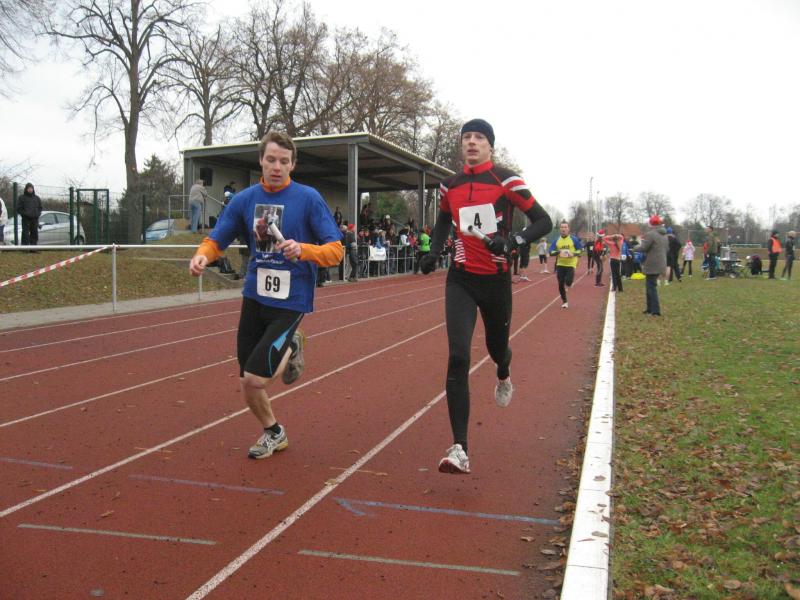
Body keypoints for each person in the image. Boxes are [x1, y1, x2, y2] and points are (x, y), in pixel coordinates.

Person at [189, 131, 343, 460]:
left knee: (258, 377)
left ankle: (291, 344)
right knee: (247, 380)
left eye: (284, 161)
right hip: (255, 296)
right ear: (260, 160)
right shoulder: (244, 200)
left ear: (293, 165)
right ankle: (274, 432)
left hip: (291, 299)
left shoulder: (308, 198)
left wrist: (303, 250)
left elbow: (336, 250)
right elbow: (217, 239)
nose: (276, 167)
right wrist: (202, 255)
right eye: (271, 159)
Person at [417, 118, 552, 475]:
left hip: (495, 281)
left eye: (479, 137)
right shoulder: (449, 185)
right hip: (460, 279)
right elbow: (443, 220)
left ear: (490, 145)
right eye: (467, 137)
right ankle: (460, 448)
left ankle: (504, 371)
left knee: (497, 348)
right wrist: (434, 251)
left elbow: (543, 221)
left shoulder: (506, 181)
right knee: (458, 356)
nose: (472, 142)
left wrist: (513, 241)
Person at [634, 215, 668, 316]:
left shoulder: (651, 234)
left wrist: (634, 247)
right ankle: (649, 308)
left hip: (652, 263)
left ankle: (655, 311)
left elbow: (644, 247)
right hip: (661, 263)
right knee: (649, 286)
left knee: (651, 287)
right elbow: (667, 249)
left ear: (651, 224)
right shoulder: (664, 235)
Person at [549, 221, 582, 307]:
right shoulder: (557, 240)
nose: (563, 229)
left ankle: (569, 284)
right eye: (562, 227)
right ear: (560, 229)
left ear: (568, 229)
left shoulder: (574, 239)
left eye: (565, 227)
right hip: (560, 264)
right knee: (560, 283)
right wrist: (558, 252)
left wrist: (573, 254)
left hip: (571, 264)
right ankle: (564, 301)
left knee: (568, 282)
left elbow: (580, 250)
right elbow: (550, 252)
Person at [17, 182, 43, 247]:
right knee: (25, 234)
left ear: (33, 189)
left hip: (34, 219)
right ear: (26, 189)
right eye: (29, 188)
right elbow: (19, 208)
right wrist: (25, 214)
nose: (30, 189)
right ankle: (25, 249)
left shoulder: (37, 198)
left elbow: (40, 208)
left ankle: (33, 248)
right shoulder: (22, 197)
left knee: (34, 233)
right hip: (26, 219)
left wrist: (37, 214)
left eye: (31, 188)